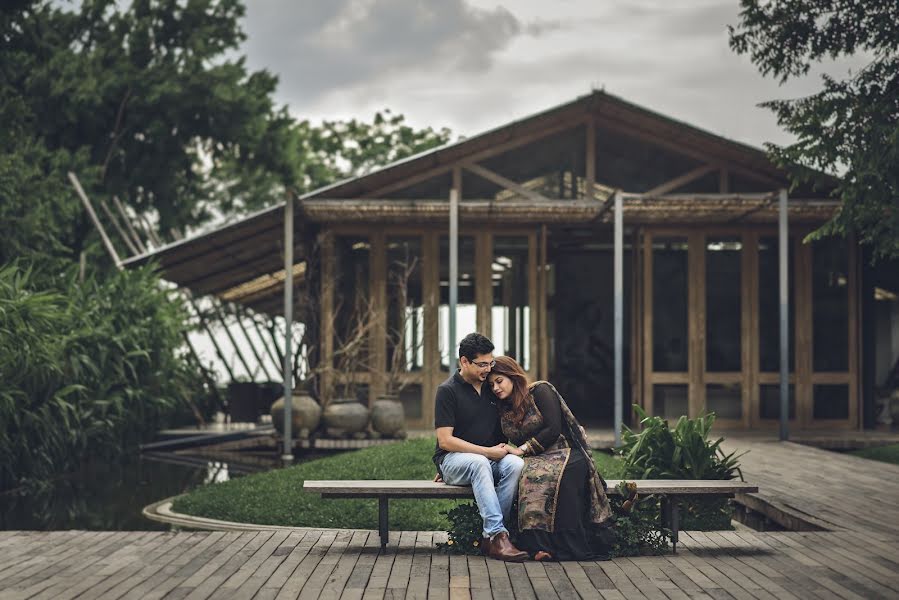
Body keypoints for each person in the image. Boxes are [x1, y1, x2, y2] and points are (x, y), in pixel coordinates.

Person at [487, 356, 614, 561]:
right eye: (491, 384)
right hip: (535, 459)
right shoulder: (502, 411)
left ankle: (569, 547)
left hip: (565, 451)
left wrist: (521, 450)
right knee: (531, 479)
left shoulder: (540, 391)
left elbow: (553, 428)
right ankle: (539, 548)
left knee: (562, 476)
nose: (495, 388)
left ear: (512, 376)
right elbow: (495, 441)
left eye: (499, 381)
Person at [433, 333, 528, 562]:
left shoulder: (491, 389)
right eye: (482, 364)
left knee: (515, 464)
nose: (488, 369)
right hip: (455, 459)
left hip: (487, 459)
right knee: (478, 463)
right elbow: (445, 440)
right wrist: (485, 453)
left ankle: (492, 537)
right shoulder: (447, 391)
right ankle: (497, 535)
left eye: (490, 363)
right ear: (464, 362)